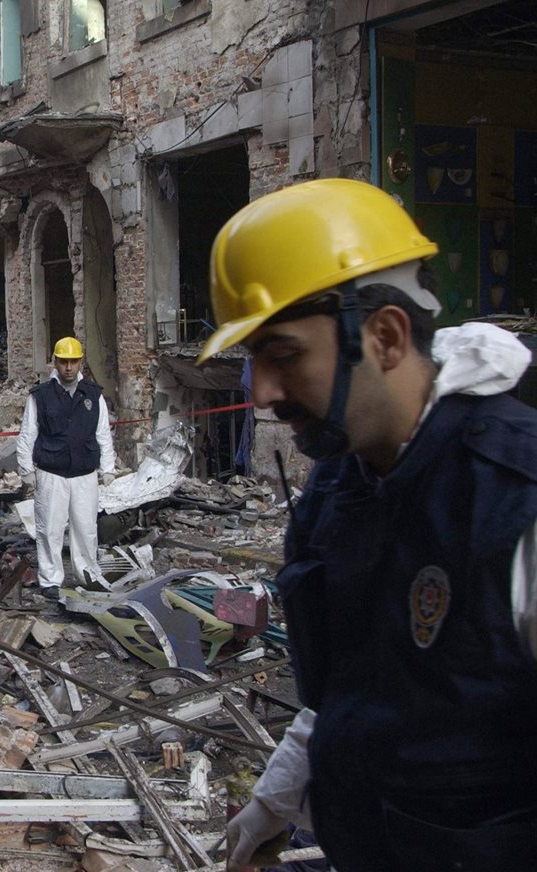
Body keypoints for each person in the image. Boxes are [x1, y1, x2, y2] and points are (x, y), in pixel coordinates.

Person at [204, 179, 537, 872]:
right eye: (254, 360)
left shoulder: (515, 500)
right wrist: (275, 799)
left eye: (284, 354)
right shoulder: (339, 488)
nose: (261, 391)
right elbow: (356, 681)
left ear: (383, 335)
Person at [14, 336, 116, 599]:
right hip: (51, 472)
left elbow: (103, 433)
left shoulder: (94, 395)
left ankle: (86, 575)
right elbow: (28, 433)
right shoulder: (41, 396)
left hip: (85, 473)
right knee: (49, 528)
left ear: (80, 361)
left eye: (73, 361)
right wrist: (26, 470)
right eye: (63, 362)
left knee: (86, 529)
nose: (69, 367)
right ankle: (50, 580)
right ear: (55, 363)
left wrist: (108, 468)